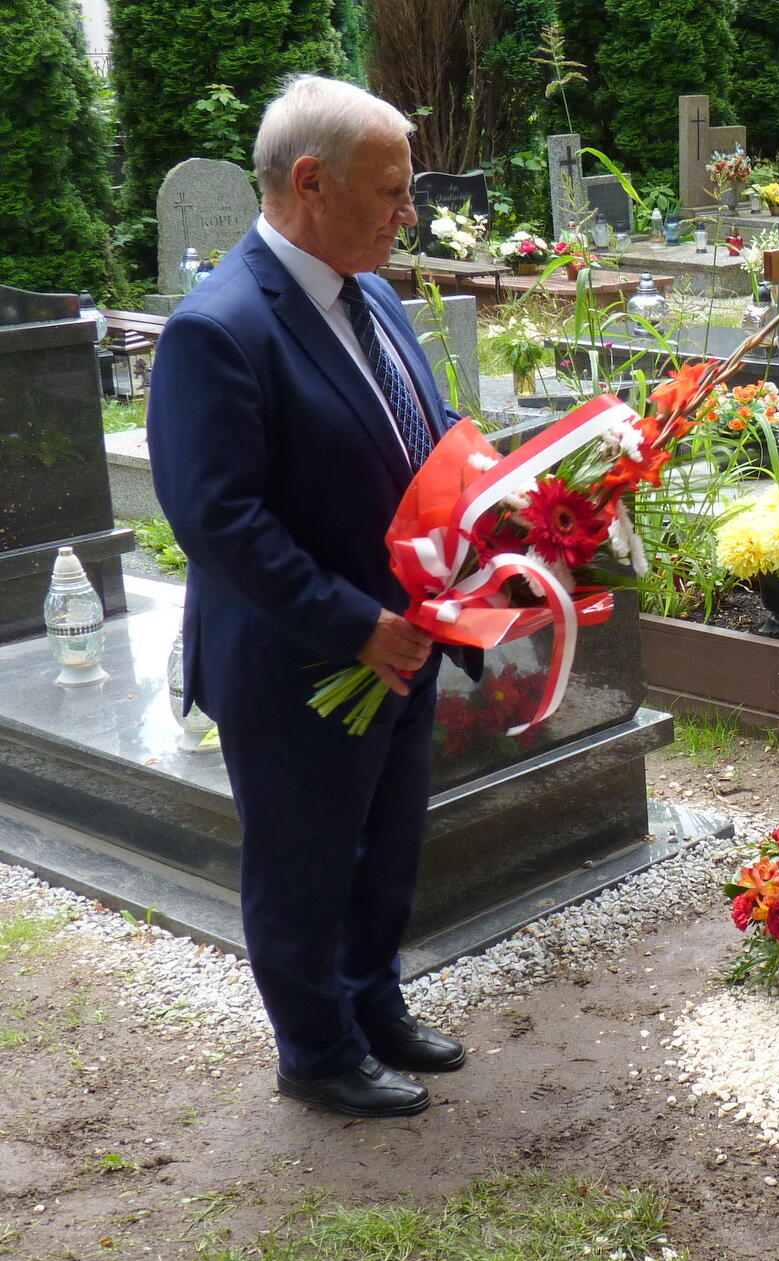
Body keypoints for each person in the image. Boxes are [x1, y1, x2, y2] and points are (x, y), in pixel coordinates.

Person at [149, 75, 472, 1118]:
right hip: (301, 658)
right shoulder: (218, 327)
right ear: (310, 181)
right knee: (304, 864)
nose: (407, 213)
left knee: (386, 847)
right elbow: (219, 520)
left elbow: (425, 436)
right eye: (390, 191)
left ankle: (372, 1003)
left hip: (404, 638)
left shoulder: (370, 295)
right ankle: (316, 1048)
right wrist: (352, 623)